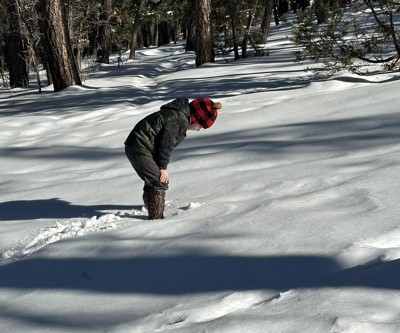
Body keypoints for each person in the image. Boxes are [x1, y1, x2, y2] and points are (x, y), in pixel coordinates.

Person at [125, 97, 222, 220]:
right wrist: (163, 167)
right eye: (201, 125)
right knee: (159, 180)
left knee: (156, 179)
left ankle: (153, 208)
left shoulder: (178, 116)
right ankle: (156, 219)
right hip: (139, 147)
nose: (199, 129)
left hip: (140, 146)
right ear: (196, 118)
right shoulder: (178, 120)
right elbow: (166, 144)